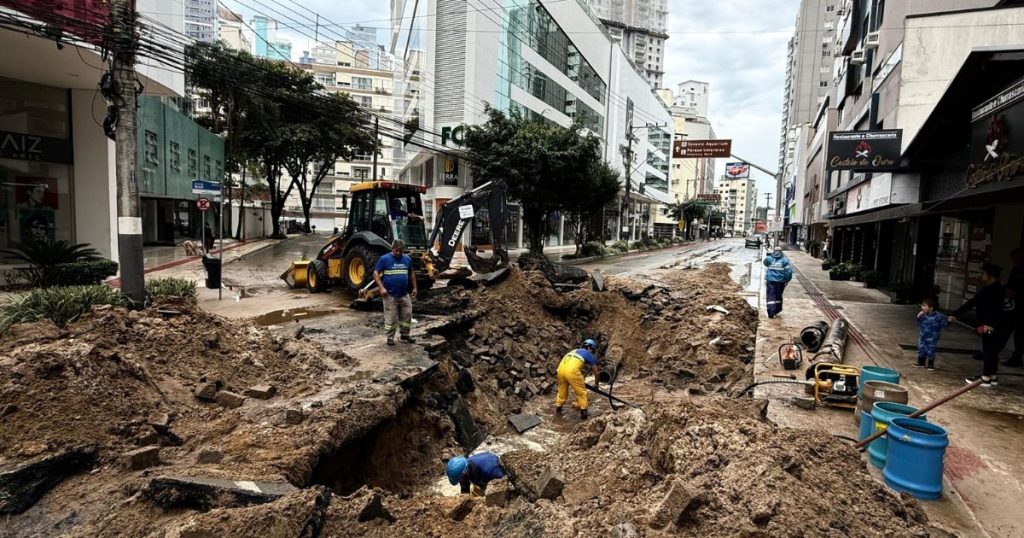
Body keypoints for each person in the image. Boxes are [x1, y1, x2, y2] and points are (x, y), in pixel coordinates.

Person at [954, 263, 1011, 387]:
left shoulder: (996, 291)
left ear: (991, 276)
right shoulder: (988, 289)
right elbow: (972, 302)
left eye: (983, 274)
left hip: (992, 325)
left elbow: (996, 310)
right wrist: (956, 314)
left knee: (989, 350)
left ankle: (986, 377)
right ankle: (993, 375)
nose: (980, 276)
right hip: (989, 324)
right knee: (992, 350)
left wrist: (989, 324)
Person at [373, 239, 418, 346]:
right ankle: (390, 338)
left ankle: (405, 334)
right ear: (392, 249)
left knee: (407, 315)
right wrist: (381, 288)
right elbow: (375, 273)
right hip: (390, 295)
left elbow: (411, 273)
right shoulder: (384, 259)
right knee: (391, 318)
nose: (398, 253)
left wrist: (415, 288)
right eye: (396, 250)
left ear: (403, 250)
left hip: (404, 294)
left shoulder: (407, 259)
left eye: (400, 251)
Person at [555, 339, 600, 419]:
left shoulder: (574, 351)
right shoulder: (588, 354)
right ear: (590, 347)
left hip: (560, 370)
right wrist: (596, 384)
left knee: (562, 391)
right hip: (571, 371)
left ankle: (558, 409)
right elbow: (596, 373)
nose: (592, 351)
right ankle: (584, 414)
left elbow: (575, 364)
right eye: (592, 349)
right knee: (582, 393)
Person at [916, 298, 954, 371]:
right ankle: (921, 363)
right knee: (921, 349)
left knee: (931, 350)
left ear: (931, 308)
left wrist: (949, 321)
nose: (922, 307)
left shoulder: (938, 316)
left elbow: (945, 324)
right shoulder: (922, 315)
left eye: (924, 306)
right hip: (923, 336)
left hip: (932, 337)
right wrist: (918, 317)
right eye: (922, 305)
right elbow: (918, 323)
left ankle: (930, 364)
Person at [1004, 248, 1023, 367]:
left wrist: (1018, 293)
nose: (1014, 260)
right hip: (1014, 305)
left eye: (1016, 258)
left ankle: (1017, 357)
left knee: (1020, 333)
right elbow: (1010, 283)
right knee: (1010, 330)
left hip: (1021, 305)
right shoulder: (1016, 269)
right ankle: (1016, 356)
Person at [763, 246, 793, 319]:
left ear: (774, 251)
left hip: (770, 281)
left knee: (771, 296)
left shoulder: (769, 258)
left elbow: (765, 263)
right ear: (781, 251)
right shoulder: (784, 260)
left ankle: (771, 312)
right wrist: (787, 280)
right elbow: (789, 272)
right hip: (780, 281)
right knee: (778, 296)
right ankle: (777, 310)